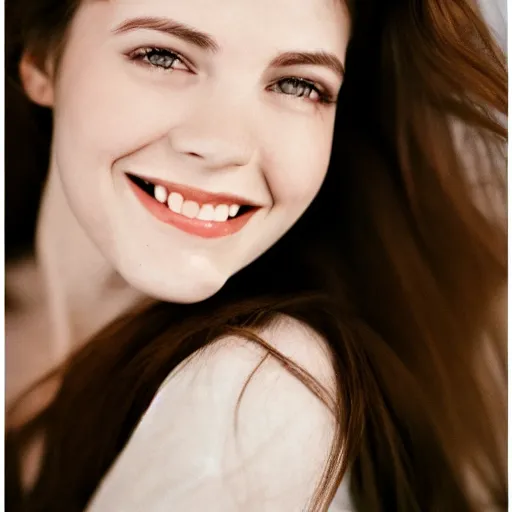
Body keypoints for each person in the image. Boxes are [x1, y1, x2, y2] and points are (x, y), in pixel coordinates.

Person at [5, 0, 507, 510]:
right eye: (162, 55)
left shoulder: (256, 389)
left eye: (297, 84)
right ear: (42, 59)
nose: (224, 145)